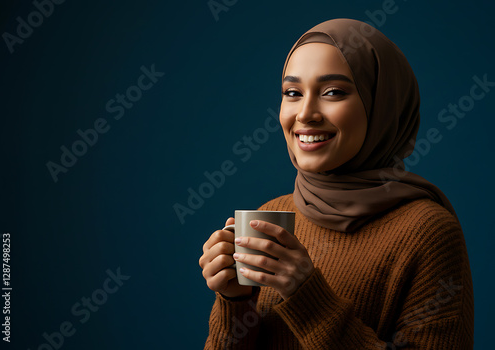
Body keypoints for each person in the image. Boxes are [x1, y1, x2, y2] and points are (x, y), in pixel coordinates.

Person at [199, 18, 474, 349]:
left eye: (333, 92)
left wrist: (306, 296)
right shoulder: (271, 214)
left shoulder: (428, 232)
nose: (306, 114)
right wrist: (234, 300)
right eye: (293, 93)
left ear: (380, 105)